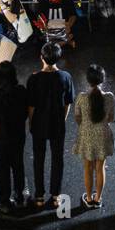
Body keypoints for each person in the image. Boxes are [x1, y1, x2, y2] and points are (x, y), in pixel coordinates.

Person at [26, 41, 75, 210]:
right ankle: (56, 196)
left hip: (39, 123)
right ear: (58, 58)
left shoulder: (34, 79)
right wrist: (62, 119)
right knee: (57, 159)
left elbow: (31, 105)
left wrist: (31, 122)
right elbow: (68, 103)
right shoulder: (66, 77)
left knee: (38, 159)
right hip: (57, 123)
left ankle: (39, 195)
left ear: (42, 57)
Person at [0, 59, 29, 212]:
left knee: (3, 169)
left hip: (0, 139)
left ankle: (4, 201)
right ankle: (20, 197)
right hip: (18, 137)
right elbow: (26, 112)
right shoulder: (22, 91)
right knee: (18, 166)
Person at [73, 64, 115, 208]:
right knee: (100, 167)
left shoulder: (82, 97)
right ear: (102, 80)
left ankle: (89, 198)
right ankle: (98, 198)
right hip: (103, 135)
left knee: (87, 167)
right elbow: (110, 118)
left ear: (88, 80)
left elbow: (78, 118)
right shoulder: (109, 97)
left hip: (87, 135)